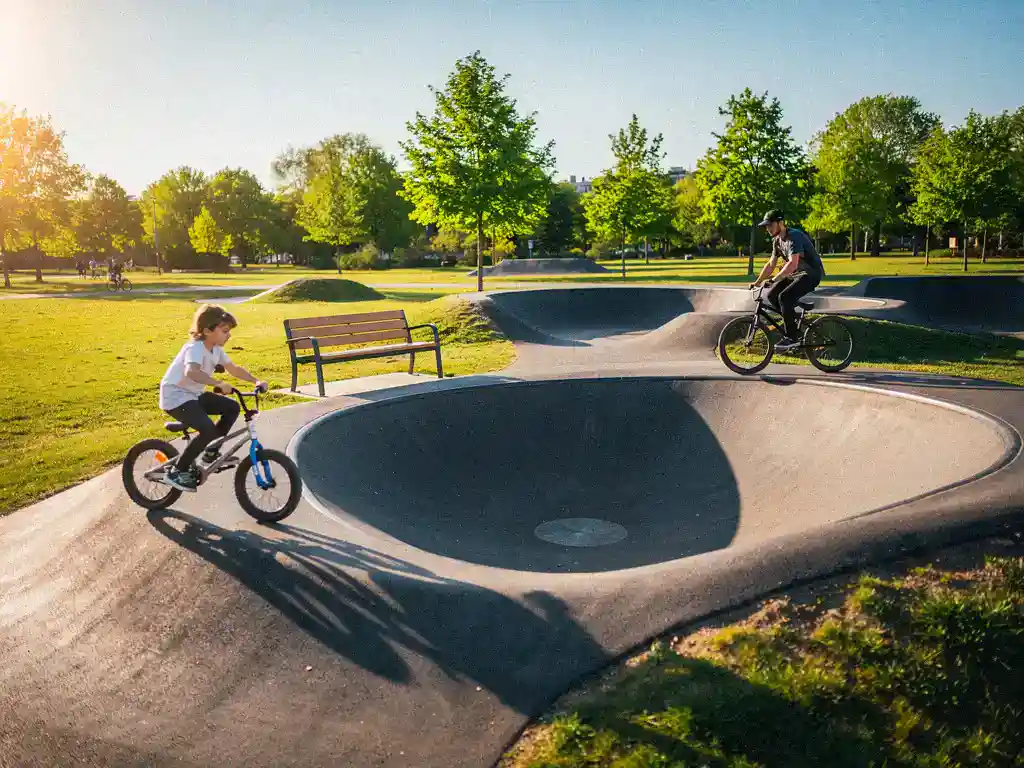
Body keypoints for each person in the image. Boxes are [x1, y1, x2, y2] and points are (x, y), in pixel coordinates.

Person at [159, 304, 267, 491]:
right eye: (225, 331)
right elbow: (191, 372)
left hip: (193, 395)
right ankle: (177, 471)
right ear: (208, 330)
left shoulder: (216, 349)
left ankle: (211, 452)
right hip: (175, 396)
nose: (229, 335)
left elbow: (233, 369)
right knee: (207, 429)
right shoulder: (195, 348)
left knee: (232, 407)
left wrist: (256, 381)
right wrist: (217, 383)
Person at [749, 209, 826, 351]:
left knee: (784, 297)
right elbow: (771, 264)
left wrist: (774, 279)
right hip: (796, 275)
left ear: (780, 223)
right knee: (772, 295)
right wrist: (758, 281)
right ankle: (793, 321)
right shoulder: (777, 241)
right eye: (766, 226)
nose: (768, 229)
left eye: (770, 225)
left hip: (811, 274)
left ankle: (791, 337)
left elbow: (792, 264)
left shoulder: (794, 237)